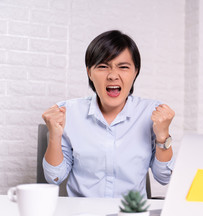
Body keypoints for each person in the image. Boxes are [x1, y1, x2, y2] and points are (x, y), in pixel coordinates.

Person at [41, 30, 175, 198]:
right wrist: (55, 135)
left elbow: (164, 177)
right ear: (89, 72)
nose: (112, 76)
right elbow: (55, 177)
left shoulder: (151, 113)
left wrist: (163, 136)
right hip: (82, 215)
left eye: (123, 67)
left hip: (131, 214)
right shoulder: (68, 113)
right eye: (103, 67)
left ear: (135, 72)